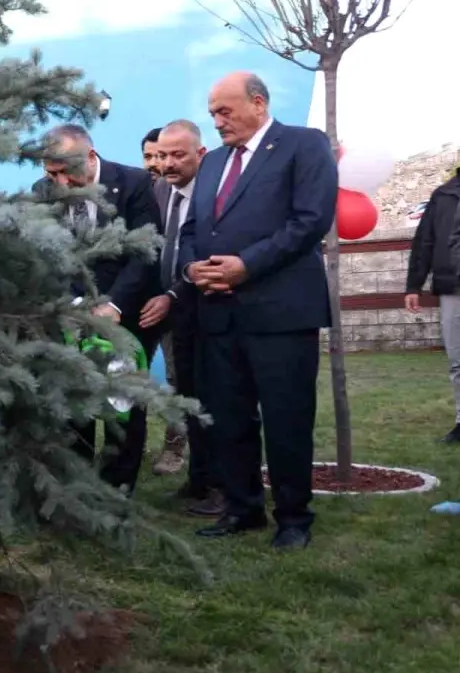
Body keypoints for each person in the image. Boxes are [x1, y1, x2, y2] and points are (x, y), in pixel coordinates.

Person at [177, 71, 336, 550]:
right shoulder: (212, 164)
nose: (218, 122)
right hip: (220, 315)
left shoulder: (303, 145)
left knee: (287, 420)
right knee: (230, 419)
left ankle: (293, 518)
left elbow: (310, 221)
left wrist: (247, 266)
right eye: (213, 114)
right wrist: (191, 271)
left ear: (259, 104)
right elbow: (191, 230)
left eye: (225, 112)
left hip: (281, 314)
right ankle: (243, 508)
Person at [34, 124, 163, 495]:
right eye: (51, 173)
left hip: (127, 308)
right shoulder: (42, 193)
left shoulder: (135, 182)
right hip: (70, 314)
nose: (59, 181)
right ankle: (78, 485)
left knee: (123, 401)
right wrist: (72, 305)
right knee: (76, 398)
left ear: (91, 157)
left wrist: (115, 303)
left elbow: (144, 250)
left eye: (65, 171)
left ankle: (117, 484)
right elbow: (47, 255)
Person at [138, 120, 221, 515]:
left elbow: (204, 257)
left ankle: (224, 486)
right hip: (168, 306)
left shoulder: (216, 192)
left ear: (199, 154)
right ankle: (199, 480)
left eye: (176, 155)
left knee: (215, 401)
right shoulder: (158, 190)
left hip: (205, 307)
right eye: (161, 156)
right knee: (186, 395)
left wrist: (175, 293)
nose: (167, 164)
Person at [405, 171, 460, 442]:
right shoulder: (443, 195)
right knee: (457, 360)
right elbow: (424, 241)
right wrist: (414, 286)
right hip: (453, 288)